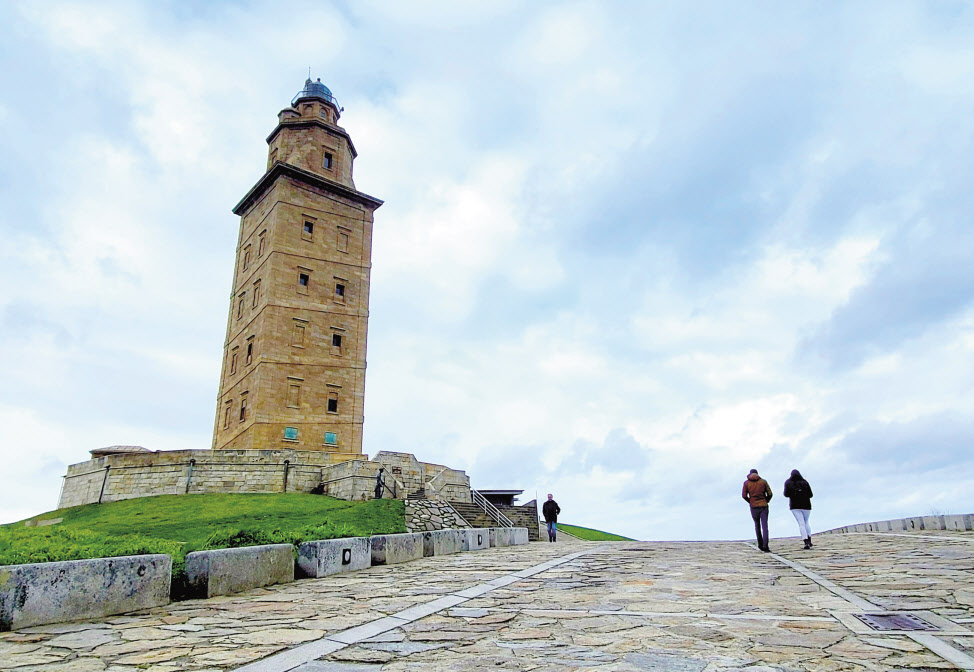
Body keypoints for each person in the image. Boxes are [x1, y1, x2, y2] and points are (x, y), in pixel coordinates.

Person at [742, 468, 772, 552]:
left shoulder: (746, 483)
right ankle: (765, 545)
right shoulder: (763, 482)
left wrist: (750, 501)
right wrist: (766, 500)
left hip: (753, 506)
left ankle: (760, 544)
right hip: (763, 505)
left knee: (757, 525)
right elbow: (770, 493)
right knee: (765, 526)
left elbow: (744, 495)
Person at [783, 469, 814, 549]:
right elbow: (811, 494)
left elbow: (786, 494)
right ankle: (809, 539)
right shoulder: (804, 482)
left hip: (795, 506)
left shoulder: (788, 482)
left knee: (801, 523)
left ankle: (805, 541)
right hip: (806, 505)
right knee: (806, 522)